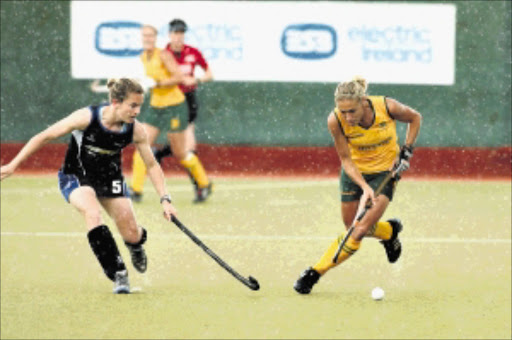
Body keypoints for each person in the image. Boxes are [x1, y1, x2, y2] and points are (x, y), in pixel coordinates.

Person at [0, 78, 177, 294]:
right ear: (115, 102)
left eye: (140, 106)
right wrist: (13, 164)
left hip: (109, 178)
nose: (137, 111)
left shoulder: (135, 130)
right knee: (92, 213)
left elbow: (151, 164)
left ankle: (136, 244)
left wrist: (165, 199)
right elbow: (45, 136)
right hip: (76, 176)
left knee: (131, 233)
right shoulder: (86, 118)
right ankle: (118, 273)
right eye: (132, 105)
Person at [293, 76, 422, 294]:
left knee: (358, 230)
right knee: (350, 226)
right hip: (354, 173)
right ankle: (389, 231)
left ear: (363, 101)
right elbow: (345, 159)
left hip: (385, 173)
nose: (348, 117)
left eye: (352, 111)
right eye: (343, 112)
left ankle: (314, 273)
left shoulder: (386, 107)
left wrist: (406, 150)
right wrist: (364, 186)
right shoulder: (335, 121)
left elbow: (415, 118)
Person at [130, 24, 213, 203]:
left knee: (180, 153)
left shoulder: (164, 55)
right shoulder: (143, 57)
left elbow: (178, 77)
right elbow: (150, 81)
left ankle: (204, 183)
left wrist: (157, 83)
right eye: (144, 36)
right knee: (141, 144)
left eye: (150, 36)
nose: (147, 39)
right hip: (155, 107)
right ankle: (135, 190)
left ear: (156, 38)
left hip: (175, 107)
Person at [152, 19, 213, 190]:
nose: (178, 37)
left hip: (189, 99)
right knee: (184, 146)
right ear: (170, 34)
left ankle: (199, 186)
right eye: (175, 33)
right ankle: (201, 185)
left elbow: (209, 73)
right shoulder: (163, 54)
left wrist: (196, 79)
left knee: (187, 144)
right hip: (171, 100)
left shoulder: (192, 52)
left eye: (181, 33)